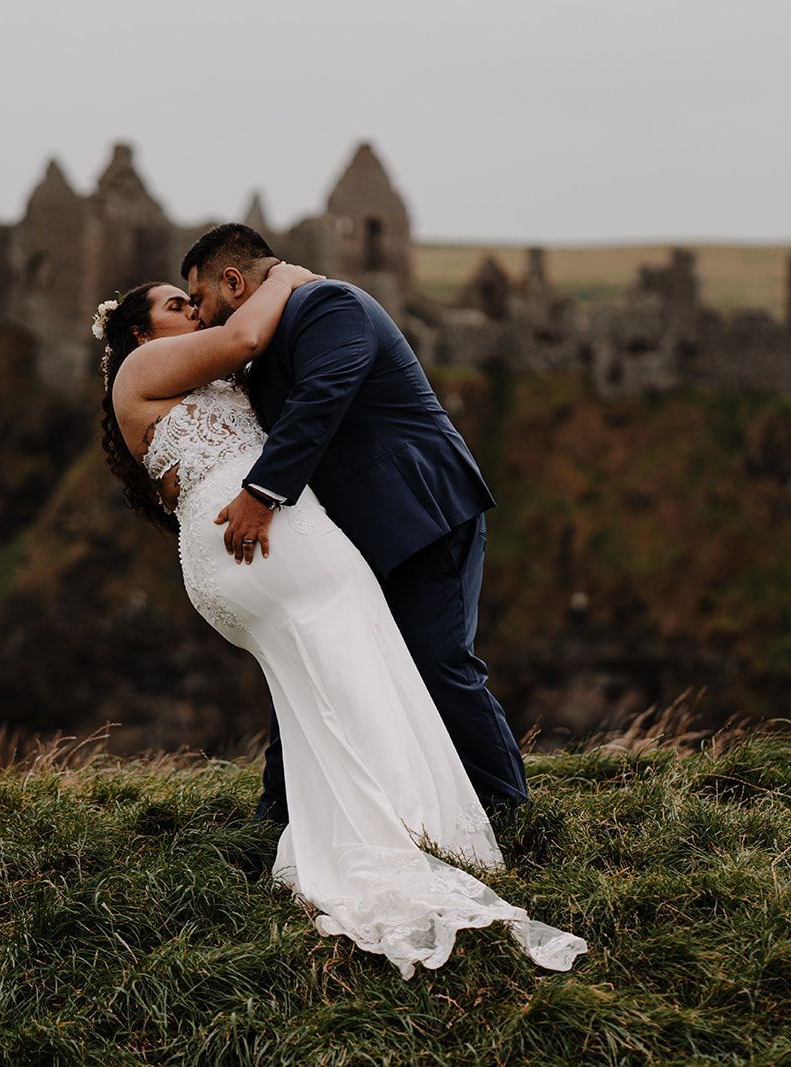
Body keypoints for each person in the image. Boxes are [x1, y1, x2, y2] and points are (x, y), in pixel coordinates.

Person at [99, 251, 586, 979]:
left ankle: (316, 816)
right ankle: (418, 826)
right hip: (256, 540)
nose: (191, 312)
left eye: (192, 298)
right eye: (177, 305)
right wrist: (288, 279)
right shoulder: (145, 372)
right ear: (140, 336)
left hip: (258, 549)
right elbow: (242, 340)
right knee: (365, 668)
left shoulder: (200, 374)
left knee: (323, 683)